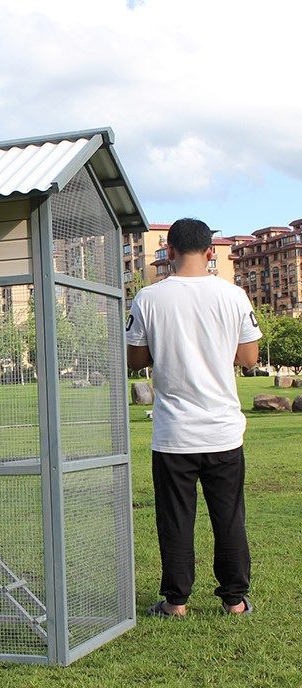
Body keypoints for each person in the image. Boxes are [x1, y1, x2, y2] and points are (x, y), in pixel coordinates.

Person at [126, 218, 262, 618]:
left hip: (174, 434)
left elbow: (136, 359)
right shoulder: (234, 295)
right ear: (210, 252)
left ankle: (176, 602)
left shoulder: (149, 298)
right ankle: (234, 601)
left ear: (168, 251)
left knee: (175, 520)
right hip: (223, 432)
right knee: (229, 517)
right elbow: (249, 358)